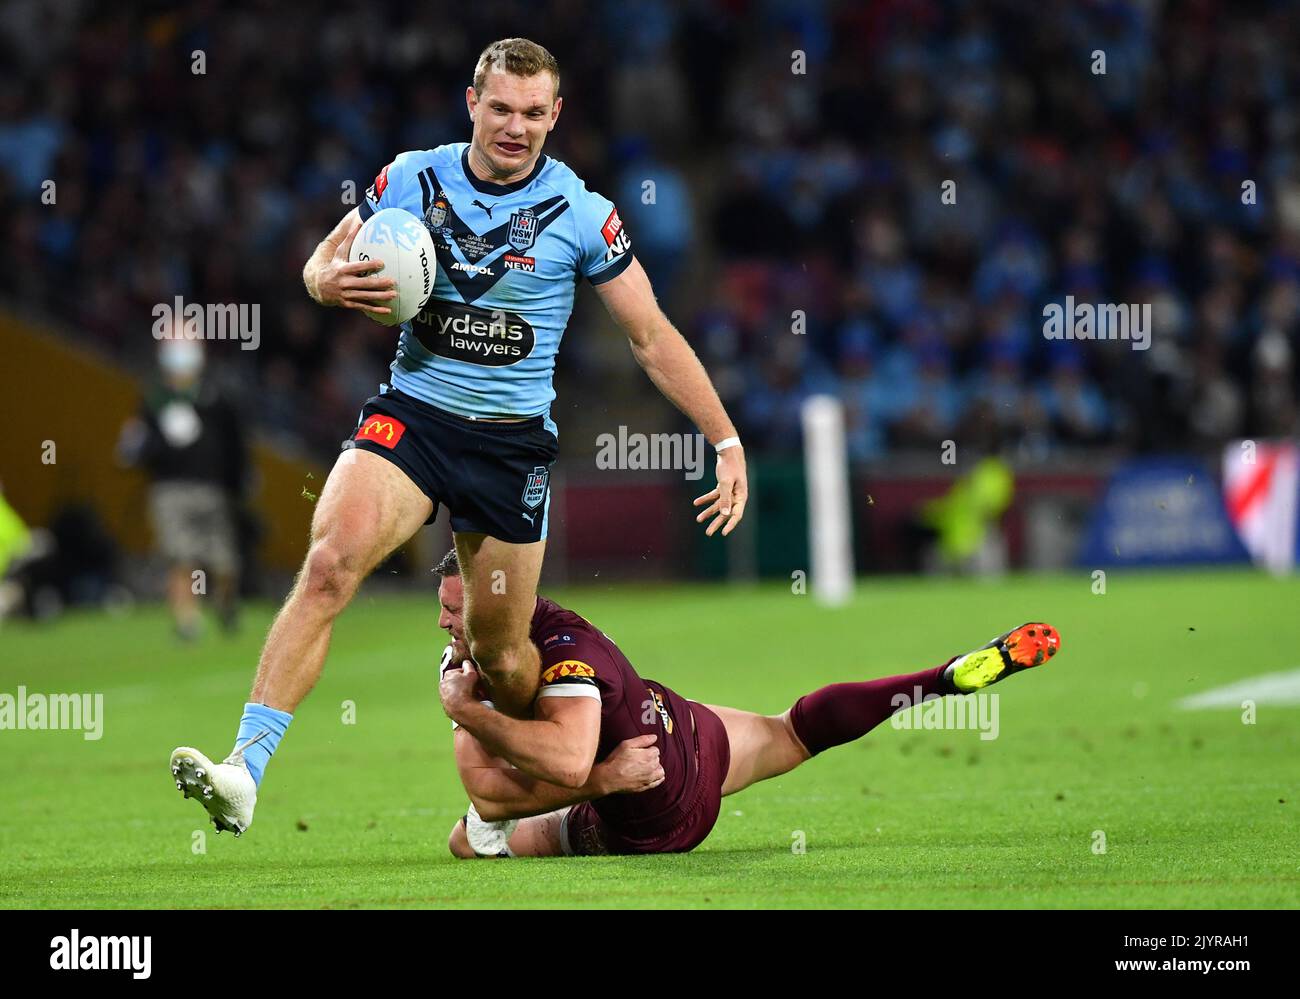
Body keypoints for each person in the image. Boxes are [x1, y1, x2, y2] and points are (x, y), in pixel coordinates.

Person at [171, 38, 748, 836]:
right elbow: (320, 262)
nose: (516, 127)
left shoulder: (584, 215)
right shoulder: (410, 178)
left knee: (502, 654)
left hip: (511, 449)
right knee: (332, 561)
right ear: (472, 102)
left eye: (533, 113)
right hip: (413, 418)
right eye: (501, 108)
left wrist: (723, 439)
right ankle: (244, 769)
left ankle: (522, 789)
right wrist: (323, 280)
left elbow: (649, 335)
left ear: (556, 115)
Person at [430, 548, 1062, 858]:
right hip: (684, 728)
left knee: (470, 838)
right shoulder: (518, 635)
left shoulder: (566, 660)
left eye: (454, 610)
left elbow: (534, 779)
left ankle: (497, 836)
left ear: (497, 605)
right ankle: (942, 678)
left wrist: (469, 713)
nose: (442, 623)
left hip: (655, 809)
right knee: (792, 732)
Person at [119, 336, 246, 640]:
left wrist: (239, 479)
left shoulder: (215, 397)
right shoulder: (154, 400)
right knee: (180, 557)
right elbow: (137, 445)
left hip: (210, 489)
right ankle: (187, 622)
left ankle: (224, 604)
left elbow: (234, 443)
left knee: (224, 562)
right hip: (169, 490)